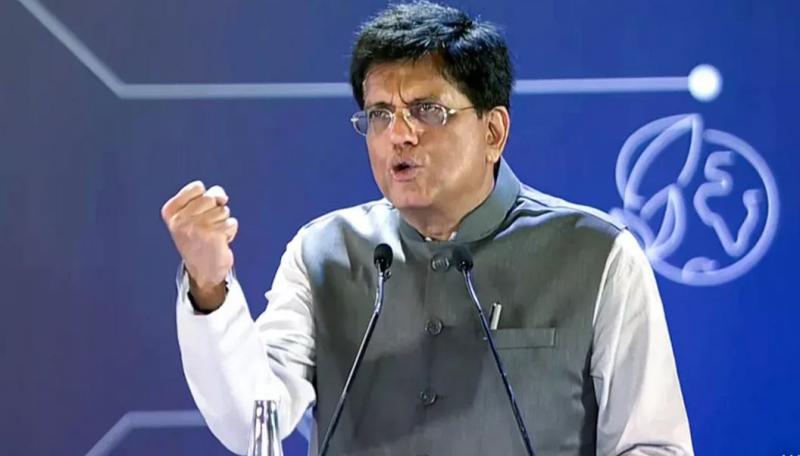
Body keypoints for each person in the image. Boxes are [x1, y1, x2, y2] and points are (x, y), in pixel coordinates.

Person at [161, 2, 693, 455]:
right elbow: (253, 422)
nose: (399, 135)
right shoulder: (323, 252)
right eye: (379, 114)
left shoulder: (597, 255)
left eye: (427, 110)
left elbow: (652, 444)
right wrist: (209, 286)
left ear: (493, 131)